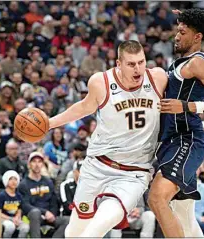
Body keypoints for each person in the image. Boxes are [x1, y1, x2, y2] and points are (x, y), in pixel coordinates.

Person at [48, 40, 167, 237]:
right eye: (131, 64)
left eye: (141, 62)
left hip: (135, 172)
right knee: (74, 232)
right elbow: (84, 107)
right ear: (118, 64)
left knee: (98, 227)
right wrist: (50, 123)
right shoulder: (101, 82)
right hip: (97, 166)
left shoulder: (158, 78)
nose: (138, 69)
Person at [148, 9, 204, 237]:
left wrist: (189, 106)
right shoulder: (180, 63)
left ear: (197, 37)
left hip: (187, 140)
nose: (176, 36)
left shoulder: (198, 64)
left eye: (182, 31)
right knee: (183, 214)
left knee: (157, 198)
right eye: (177, 31)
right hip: (171, 142)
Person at [18, 152, 67, 238]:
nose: (37, 164)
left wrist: (52, 214)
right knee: (35, 212)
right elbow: (25, 205)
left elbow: (54, 201)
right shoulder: (23, 184)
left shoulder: (48, 181)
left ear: (42, 164)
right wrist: (44, 212)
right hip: (33, 216)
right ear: (29, 164)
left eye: (39, 162)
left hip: (49, 216)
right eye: (34, 162)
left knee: (68, 220)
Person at [0, 170, 30, 238]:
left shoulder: (19, 195)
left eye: (15, 179)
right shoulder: (2, 196)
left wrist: (17, 218)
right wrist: (11, 219)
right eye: (10, 179)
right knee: (10, 227)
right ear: (6, 181)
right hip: (4, 219)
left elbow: (19, 209)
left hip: (15, 219)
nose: (13, 181)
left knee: (26, 227)